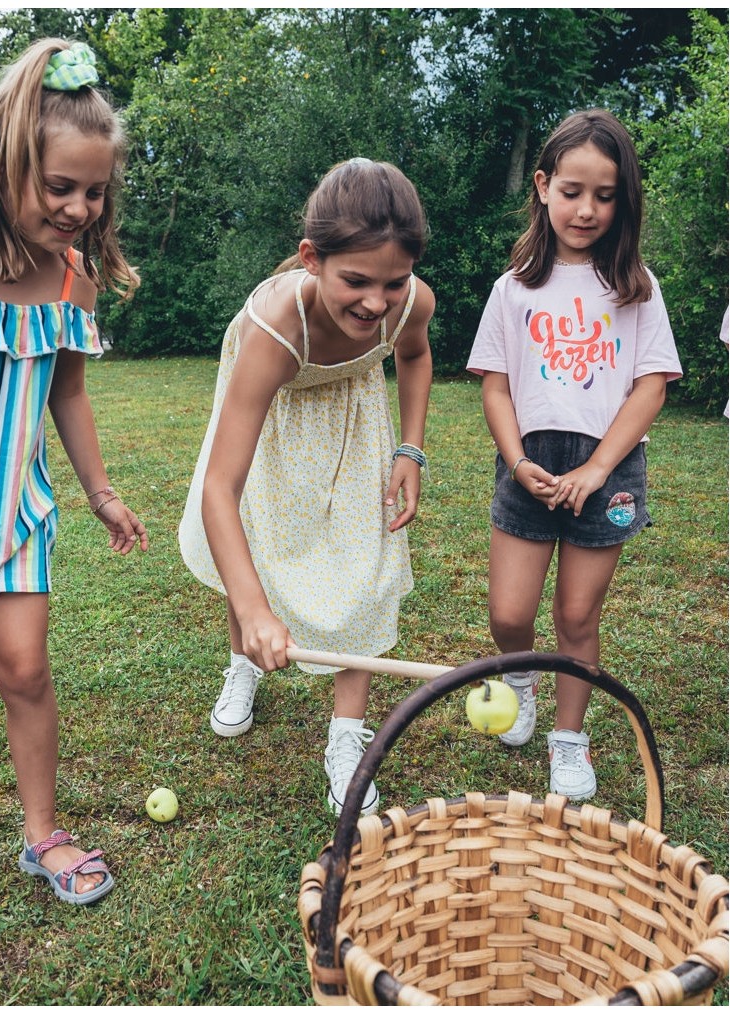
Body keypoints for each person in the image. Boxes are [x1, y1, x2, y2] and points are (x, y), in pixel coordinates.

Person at [0, 39, 148, 902]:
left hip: (12, 512)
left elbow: (68, 393)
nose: (78, 207)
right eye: (59, 186)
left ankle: (41, 831)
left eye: (94, 191)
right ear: (6, 160)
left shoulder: (71, 283)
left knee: (25, 669)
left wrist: (100, 491)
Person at [179, 158, 435, 816]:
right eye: (355, 280)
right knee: (257, 548)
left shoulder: (411, 301)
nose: (375, 302)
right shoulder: (275, 324)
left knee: (365, 569)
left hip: (356, 420)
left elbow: (414, 354)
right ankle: (242, 662)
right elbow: (220, 489)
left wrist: (410, 445)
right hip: (272, 418)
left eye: (392, 281)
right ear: (311, 259)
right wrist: (258, 609)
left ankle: (346, 738)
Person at [467, 110, 681, 800]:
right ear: (542, 186)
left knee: (578, 616)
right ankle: (521, 685)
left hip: (609, 469)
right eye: (572, 190)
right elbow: (496, 386)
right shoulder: (513, 288)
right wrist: (516, 456)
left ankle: (569, 739)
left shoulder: (637, 287)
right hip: (528, 462)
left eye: (605, 194)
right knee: (508, 612)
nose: (586, 209)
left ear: (623, 200)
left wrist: (596, 469)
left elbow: (650, 389)